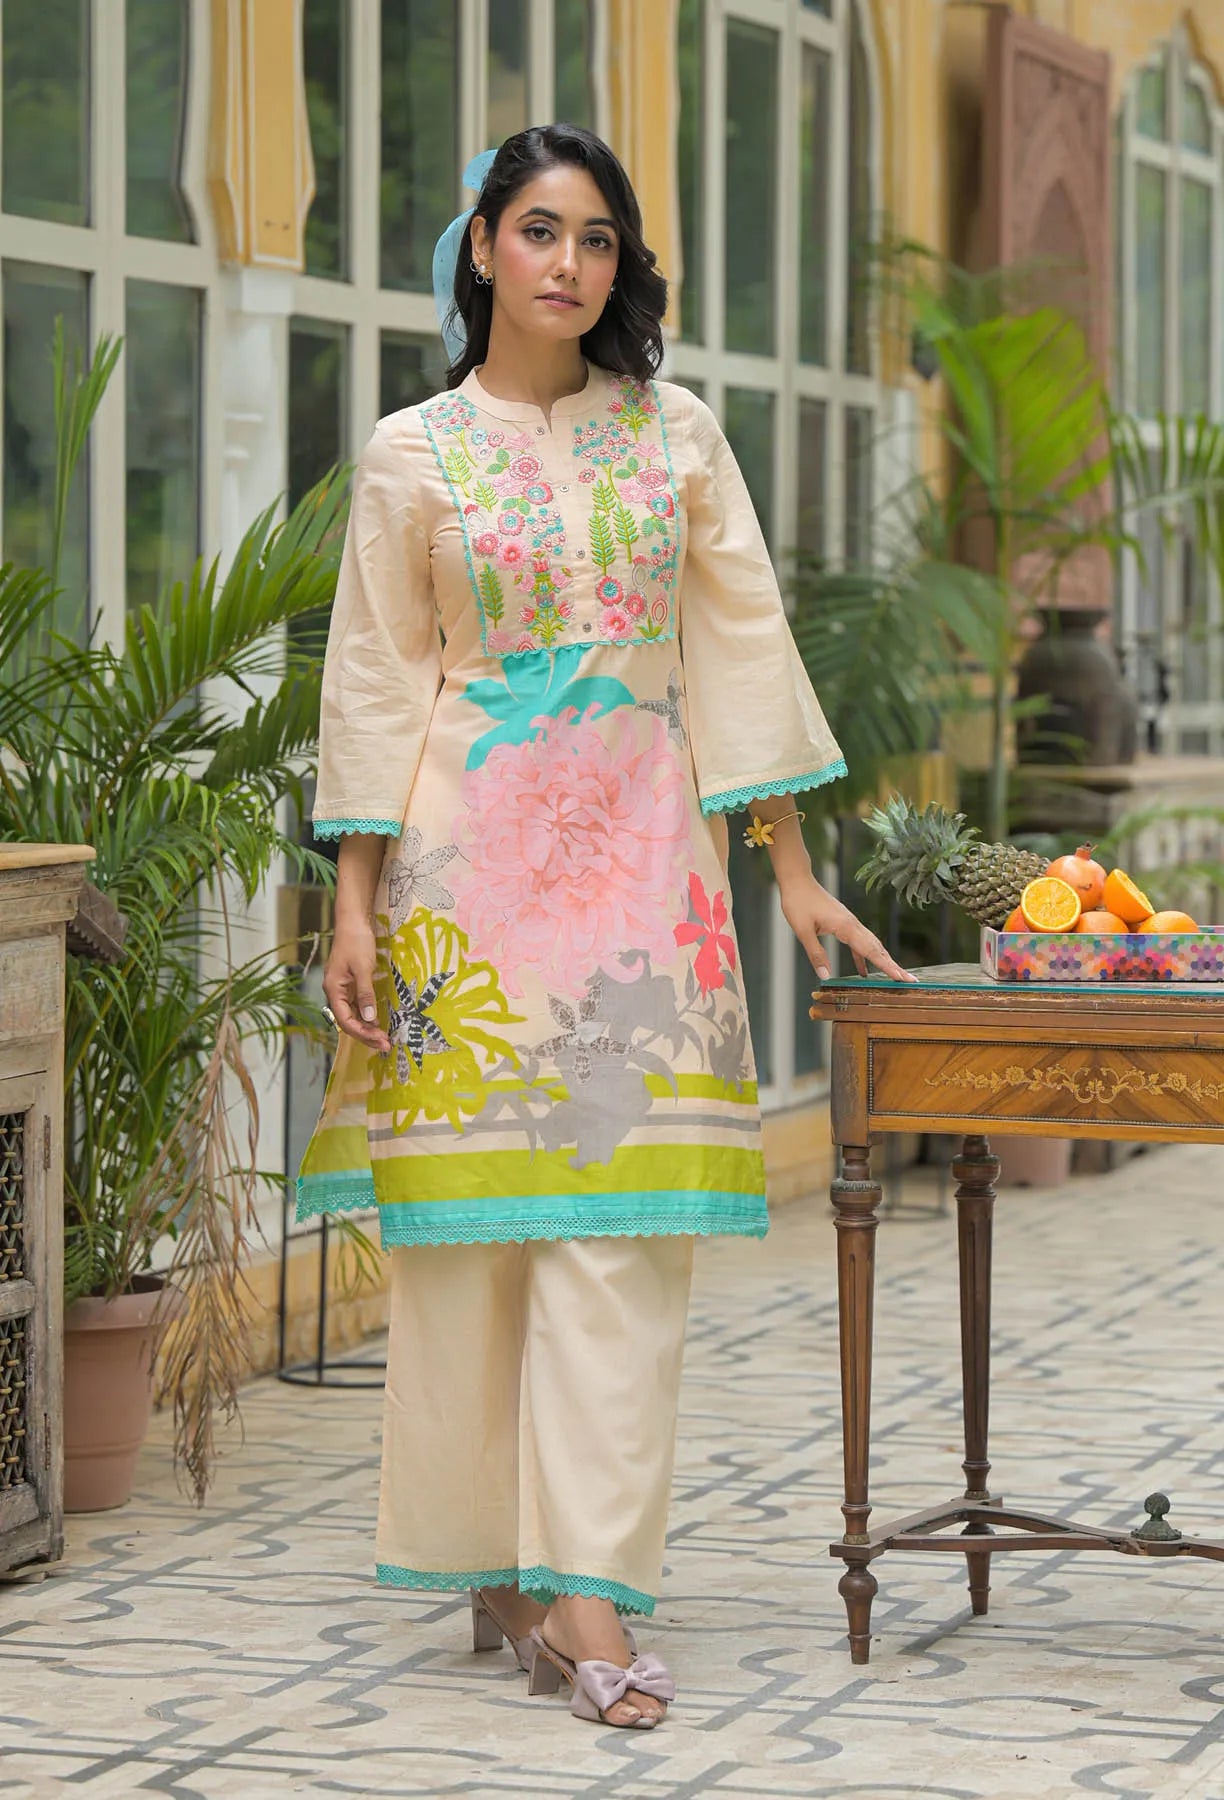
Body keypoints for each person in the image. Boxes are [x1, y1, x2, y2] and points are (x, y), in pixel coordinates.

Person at [298, 123, 912, 1732]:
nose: (571, 265)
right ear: (482, 246)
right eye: (541, 232)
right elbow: (374, 680)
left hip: (645, 874)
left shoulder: (678, 436)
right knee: (476, 1249)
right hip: (460, 890)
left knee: (621, 1250)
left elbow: (741, 651)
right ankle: (503, 1560)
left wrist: (787, 870)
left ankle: (586, 1599)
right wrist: (352, 909)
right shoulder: (411, 454)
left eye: (598, 240)